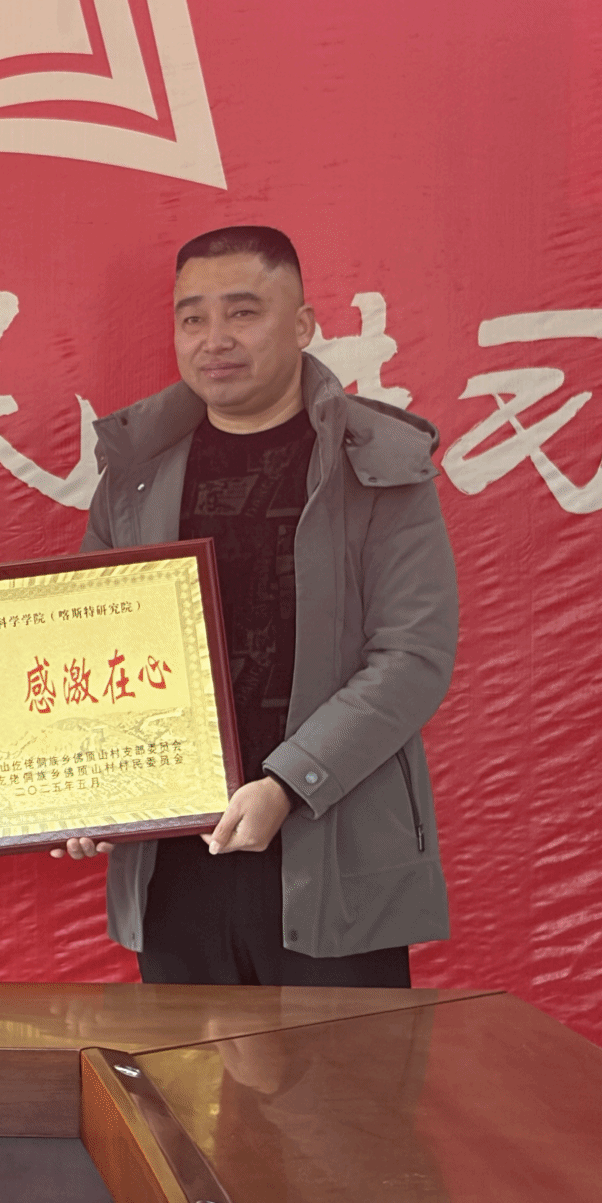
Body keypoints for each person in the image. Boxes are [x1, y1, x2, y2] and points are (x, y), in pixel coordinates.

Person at [57, 226, 458, 986]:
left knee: (342, 1067)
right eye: (193, 318)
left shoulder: (377, 463)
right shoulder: (135, 478)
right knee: (187, 1066)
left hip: (331, 844)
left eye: (243, 312)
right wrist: (87, 790)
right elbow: (91, 649)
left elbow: (413, 656)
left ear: (302, 325)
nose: (215, 339)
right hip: (174, 862)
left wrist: (287, 784)